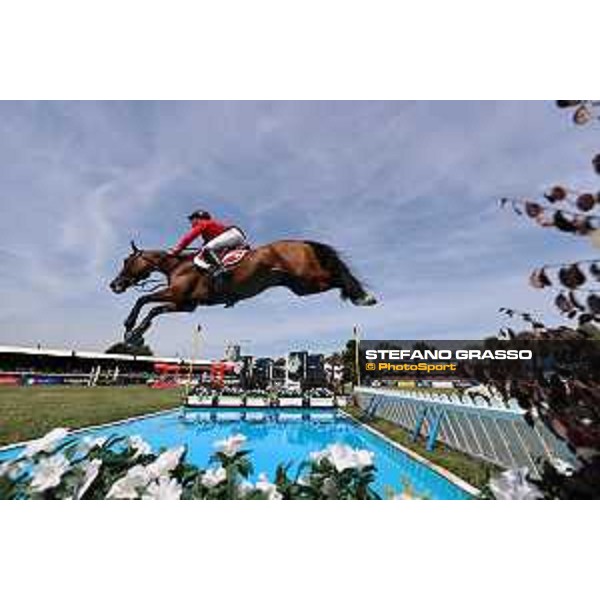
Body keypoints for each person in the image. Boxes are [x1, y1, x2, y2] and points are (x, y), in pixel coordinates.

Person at [168, 210, 248, 281]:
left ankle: (221, 269)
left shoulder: (203, 223)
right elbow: (200, 252)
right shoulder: (209, 230)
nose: (191, 222)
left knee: (207, 249)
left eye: (192, 219)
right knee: (207, 251)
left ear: (199, 218)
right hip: (235, 237)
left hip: (232, 234)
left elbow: (189, 237)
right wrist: (182, 255)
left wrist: (178, 248)